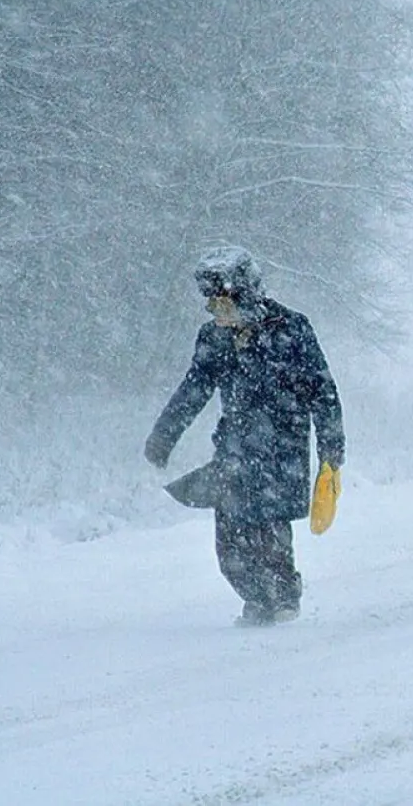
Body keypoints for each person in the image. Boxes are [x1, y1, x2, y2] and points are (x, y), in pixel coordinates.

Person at [144, 245, 345, 627]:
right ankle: (256, 599)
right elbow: (194, 389)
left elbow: (324, 392)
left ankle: (284, 597)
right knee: (230, 542)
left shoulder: (292, 329)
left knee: (268, 531)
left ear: (246, 294)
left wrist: (331, 451)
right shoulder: (213, 338)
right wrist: (163, 435)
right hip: (233, 450)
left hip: (282, 450)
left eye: (222, 302)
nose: (216, 311)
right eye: (211, 304)